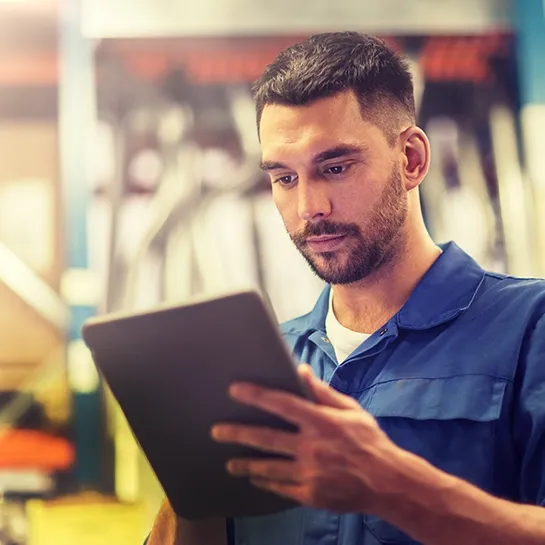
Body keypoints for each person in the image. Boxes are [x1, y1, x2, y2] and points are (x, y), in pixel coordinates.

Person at [146, 32, 545, 545]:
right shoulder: (263, 368)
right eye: (285, 179)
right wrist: (190, 497)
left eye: (334, 168)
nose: (310, 207)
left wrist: (393, 487)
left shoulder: (529, 329)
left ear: (412, 160)